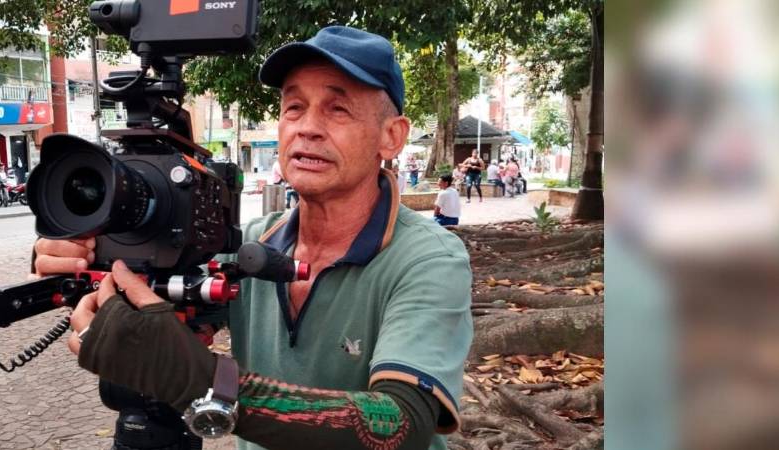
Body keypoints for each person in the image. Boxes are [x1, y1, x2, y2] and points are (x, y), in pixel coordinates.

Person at [35, 26, 471, 450]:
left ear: (391, 136)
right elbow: (152, 288)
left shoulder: (428, 258)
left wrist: (202, 380)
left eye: (338, 109)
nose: (308, 128)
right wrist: (83, 254)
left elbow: (402, 421)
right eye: (294, 107)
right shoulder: (247, 243)